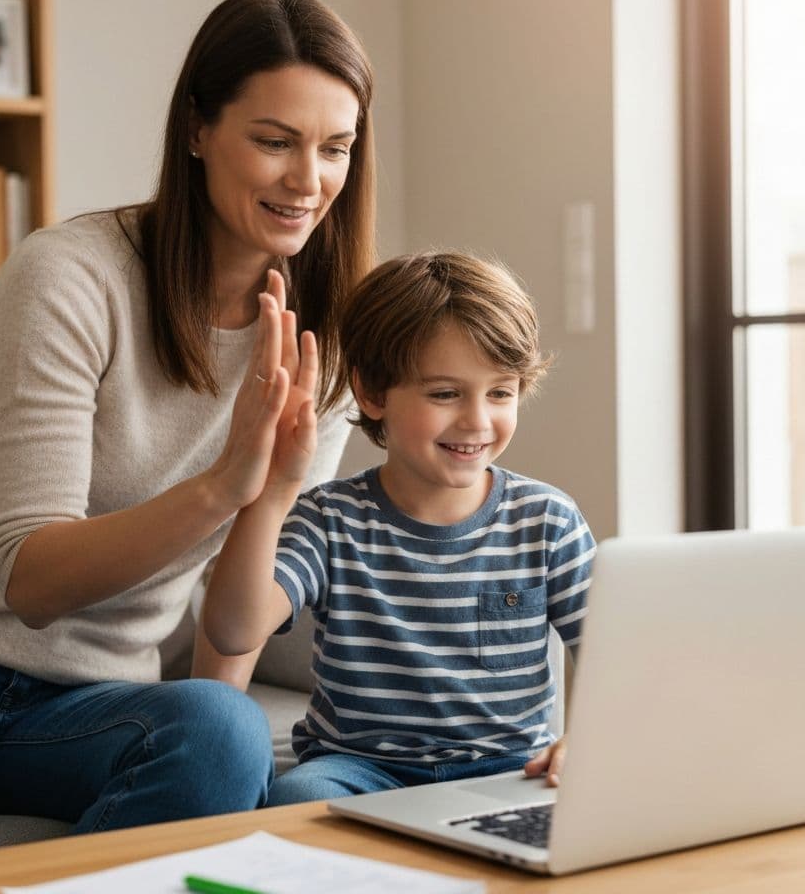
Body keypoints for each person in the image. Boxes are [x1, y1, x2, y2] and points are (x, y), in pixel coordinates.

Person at [0, 0, 376, 875]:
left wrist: (271, 492)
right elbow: (32, 579)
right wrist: (226, 481)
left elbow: (233, 622)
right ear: (197, 129)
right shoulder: (71, 277)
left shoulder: (324, 338)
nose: (309, 181)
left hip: (88, 702)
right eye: (274, 141)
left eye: (334, 148)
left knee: (228, 732)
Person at [203, 251, 596, 806]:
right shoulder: (328, 519)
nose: (477, 421)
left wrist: (588, 742)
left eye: (500, 392)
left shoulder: (548, 522)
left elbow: (616, 661)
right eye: (445, 393)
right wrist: (270, 496)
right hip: (356, 769)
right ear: (373, 395)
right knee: (297, 799)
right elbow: (234, 631)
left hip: (509, 770)